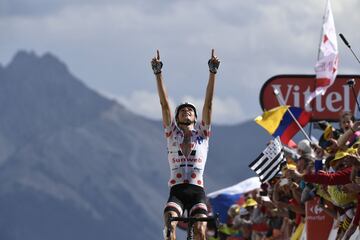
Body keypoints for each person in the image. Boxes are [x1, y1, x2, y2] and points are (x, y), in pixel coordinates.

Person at [151, 49, 220, 240]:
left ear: (196, 117)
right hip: (177, 191)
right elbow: (164, 104)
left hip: (197, 191)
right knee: (170, 225)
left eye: (190, 110)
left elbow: (209, 104)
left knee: (200, 231)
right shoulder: (171, 133)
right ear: (177, 117)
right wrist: (158, 73)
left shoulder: (203, 133)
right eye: (182, 111)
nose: (187, 111)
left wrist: (212, 73)